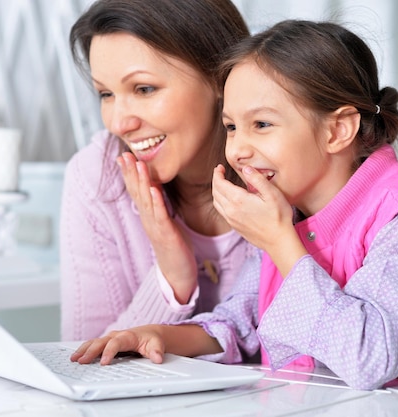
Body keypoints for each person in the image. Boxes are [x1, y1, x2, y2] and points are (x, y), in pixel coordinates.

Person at [70, 19, 398, 391]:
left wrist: (279, 242)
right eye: (231, 127)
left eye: (261, 124)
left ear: (338, 130)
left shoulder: (394, 215)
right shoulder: (288, 215)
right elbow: (238, 321)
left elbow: (372, 357)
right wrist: (158, 335)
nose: (238, 151)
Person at [60, 0, 253, 342]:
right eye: (105, 94)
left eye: (144, 89)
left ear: (220, 77)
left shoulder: (286, 167)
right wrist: (171, 279)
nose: (119, 122)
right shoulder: (96, 178)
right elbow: (82, 358)